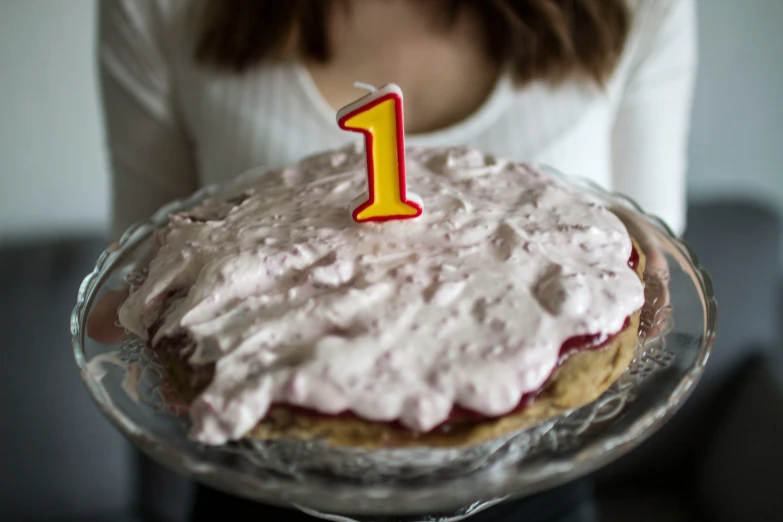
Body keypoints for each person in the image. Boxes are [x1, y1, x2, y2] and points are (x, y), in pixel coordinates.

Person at [93, 0, 696, 520]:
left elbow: (651, 254)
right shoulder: (160, 9)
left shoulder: (641, 7)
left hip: (536, 494)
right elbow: (132, 286)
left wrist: (640, 253)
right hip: (260, 489)